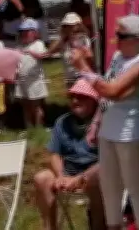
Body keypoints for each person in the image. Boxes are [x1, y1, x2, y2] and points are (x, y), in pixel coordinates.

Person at [85, 15, 139, 230]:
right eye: (116, 35)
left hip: (129, 131)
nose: (117, 40)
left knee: (134, 186)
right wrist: (96, 122)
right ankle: (113, 226)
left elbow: (113, 91)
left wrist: (84, 69)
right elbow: (106, 94)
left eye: (122, 36)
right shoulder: (117, 57)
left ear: (138, 38)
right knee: (109, 186)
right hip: (108, 129)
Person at [33, 80, 105, 230]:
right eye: (72, 97)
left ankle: (98, 226)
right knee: (42, 178)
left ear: (93, 100)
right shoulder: (62, 122)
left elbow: (107, 160)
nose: (75, 101)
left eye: (81, 97)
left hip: (93, 175)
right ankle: (50, 227)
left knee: (97, 180)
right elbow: (54, 154)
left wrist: (80, 178)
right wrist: (60, 176)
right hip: (67, 173)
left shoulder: (103, 123)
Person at [36, 12, 93, 88]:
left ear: (78, 25)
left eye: (72, 25)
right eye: (67, 25)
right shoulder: (64, 41)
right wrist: (62, 36)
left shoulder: (82, 39)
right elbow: (50, 51)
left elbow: (88, 57)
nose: (70, 27)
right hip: (69, 78)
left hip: (81, 77)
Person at [17, 18, 48, 129]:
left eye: (27, 31)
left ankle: (39, 126)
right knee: (25, 105)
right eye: (22, 31)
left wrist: (30, 52)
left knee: (36, 105)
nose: (24, 34)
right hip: (22, 79)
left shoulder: (38, 44)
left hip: (35, 80)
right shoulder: (20, 46)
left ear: (35, 32)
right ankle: (28, 126)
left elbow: (43, 56)